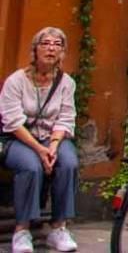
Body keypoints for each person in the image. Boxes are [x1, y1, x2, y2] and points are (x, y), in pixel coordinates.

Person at [1, 27, 81, 253]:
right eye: (45, 43)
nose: (51, 48)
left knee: (69, 163)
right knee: (31, 166)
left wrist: (53, 146)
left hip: (51, 138)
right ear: (35, 49)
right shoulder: (16, 81)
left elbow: (66, 117)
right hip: (19, 139)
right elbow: (12, 122)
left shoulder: (66, 83)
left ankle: (59, 228)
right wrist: (39, 150)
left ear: (62, 52)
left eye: (57, 44)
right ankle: (22, 230)